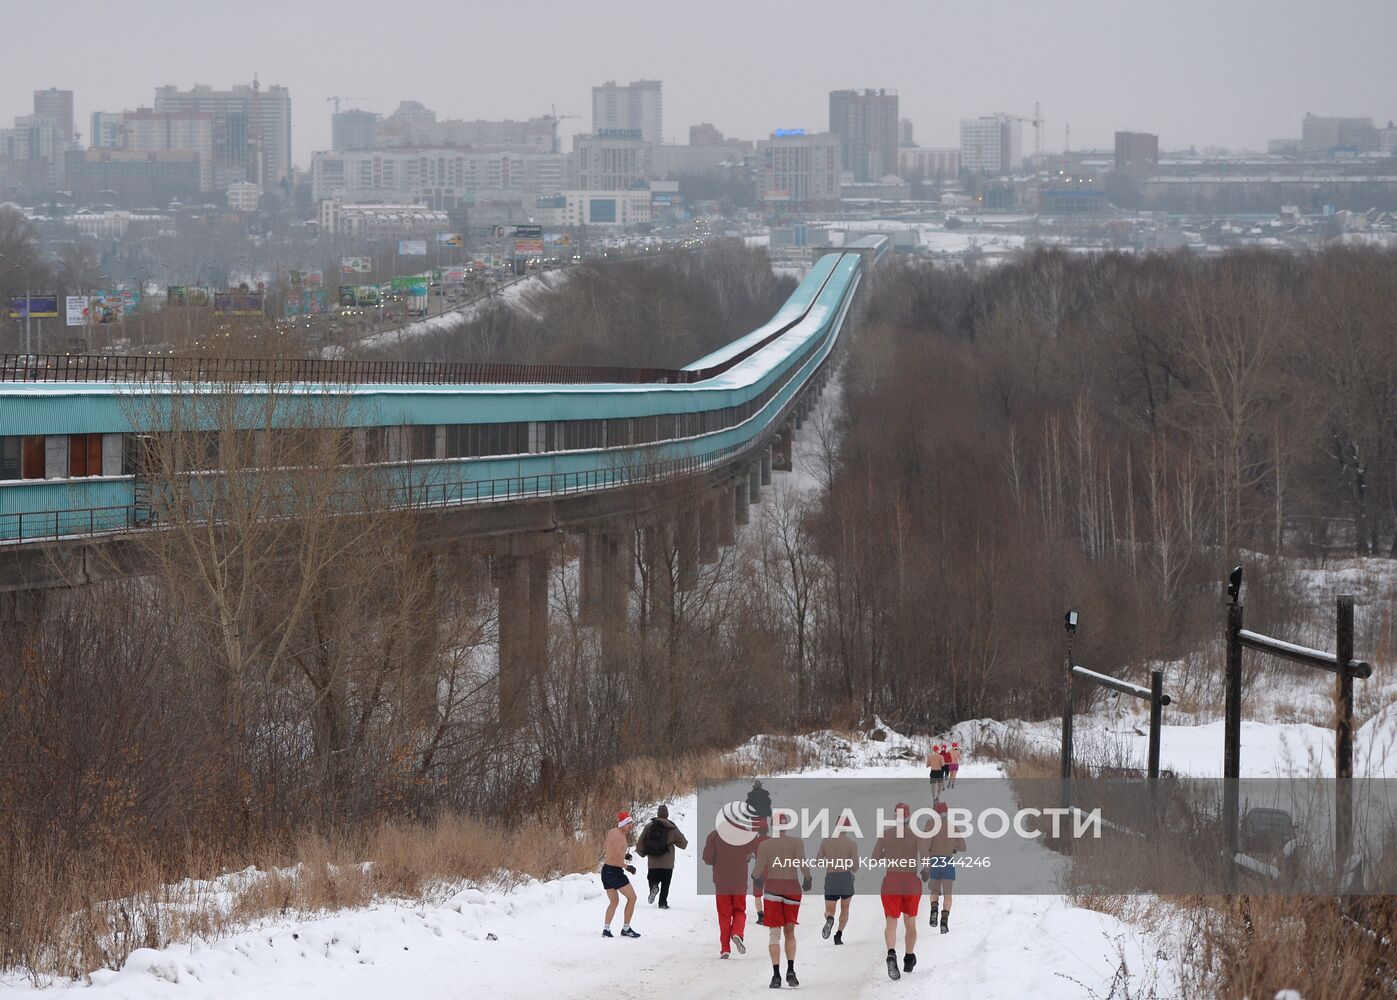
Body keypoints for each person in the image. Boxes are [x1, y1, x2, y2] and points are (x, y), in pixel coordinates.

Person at [871, 801, 931, 981]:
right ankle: (908, 957)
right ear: (909, 817)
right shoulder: (917, 835)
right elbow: (926, 860)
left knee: (891, 922)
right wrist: (926, 872)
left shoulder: (886, 835)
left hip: (891, 881)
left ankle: (891, 953)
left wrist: (886, 852)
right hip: (911, 881)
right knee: (910, 923)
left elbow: (873, 859)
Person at [752, 819, 811, 988]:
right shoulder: (796, 843)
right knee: (790, 932)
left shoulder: (766, 845)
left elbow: (758, 870)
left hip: (772, 889)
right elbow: (802, 863)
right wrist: (808, 878)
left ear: (773, 827)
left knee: (774, 934)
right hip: (792, 887)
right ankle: (791, 970)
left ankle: (776, 975)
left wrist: (756, 879)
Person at [702, 820, 755, 959]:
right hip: (739, 882)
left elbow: (708, 859)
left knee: (724, 915)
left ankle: (725, 948)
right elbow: (750, 854)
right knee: (740, 910)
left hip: (721, 883)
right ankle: (737, 932)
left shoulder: (714, 836)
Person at [926, 799, 967, 934]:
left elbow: (926, 846)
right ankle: (944, 920)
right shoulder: (953, 827)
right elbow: (963, 847)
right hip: (948, 861)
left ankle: (934, 909)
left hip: (935, 861)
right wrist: (952, 846)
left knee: (934, 891)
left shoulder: (931, 825)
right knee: (948, 894)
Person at [815, 818, 859, 945]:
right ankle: (838, 936)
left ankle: (829, 918)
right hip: (845, 877)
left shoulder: (826, 841)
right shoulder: (851, 844)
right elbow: (855, 867)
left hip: (831, 877)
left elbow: (818, 861)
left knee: (830, 909)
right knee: (845, 908)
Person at [639, 804, 689, 909]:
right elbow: (683, 844)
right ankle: (662, 903)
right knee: (666, 884)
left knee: (652, 879)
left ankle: (653, 887)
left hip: (653, 862)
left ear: (658, 813)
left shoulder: (649, 826)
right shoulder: (672, 827)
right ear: (667, 814)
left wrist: (642, 853)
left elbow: (640, 842)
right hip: (667, 863)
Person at [601, 811, 641, 939]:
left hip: (606, 871)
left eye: (632, 823)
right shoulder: (621, 837)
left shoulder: (613, 831)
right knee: (632, 898)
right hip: (614, 872)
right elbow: (614, 859)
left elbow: (606, 848)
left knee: (614, 901)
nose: (631, 826)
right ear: (623, 824)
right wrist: (627, 867)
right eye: (629, 823)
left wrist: (624, 855)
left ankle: (606, 930)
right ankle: (626, 928)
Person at [750, 817, 770, 925]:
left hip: (758, 870)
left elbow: (749, 856)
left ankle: (761, 916)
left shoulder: (755, 842)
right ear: (767, 829)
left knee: (758, 895)